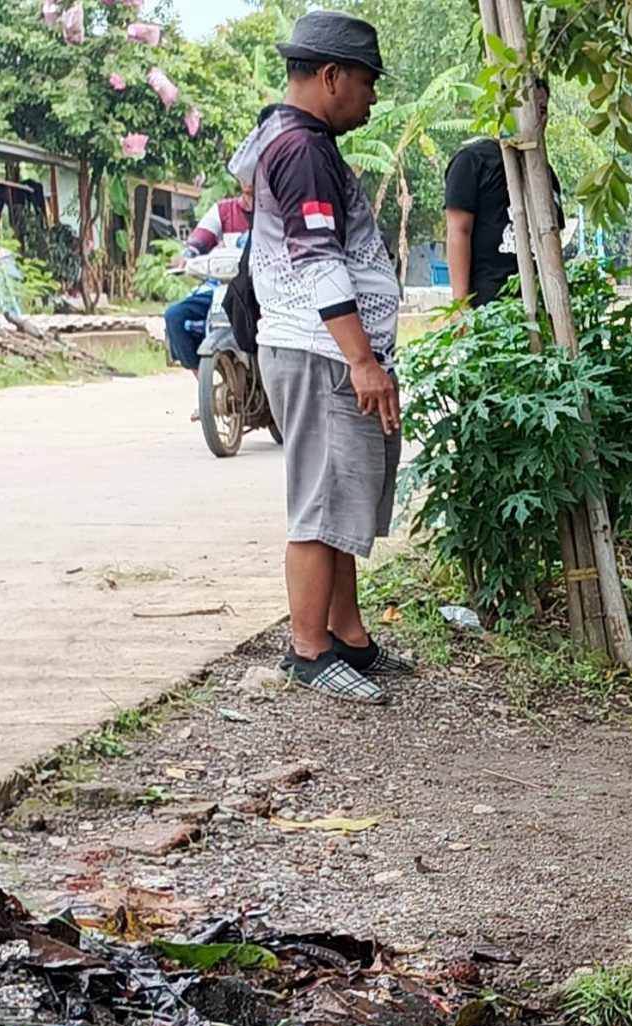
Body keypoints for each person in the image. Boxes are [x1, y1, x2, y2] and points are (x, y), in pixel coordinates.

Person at [241, 8, 407, 706]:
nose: (371, 97)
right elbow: (319, 263)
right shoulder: (304, 150)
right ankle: (309, 650)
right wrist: (362, 361)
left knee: (341, 498)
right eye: (367, 82)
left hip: (316, 348)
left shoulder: (289, 138)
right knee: (319, 501)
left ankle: (348, 635)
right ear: (331, 76)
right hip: (319, 351)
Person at [442, 135, 561, 310]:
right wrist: (460, 304)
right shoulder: (473, 161)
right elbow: (458, 231)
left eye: (543, 111)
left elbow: (555, 238)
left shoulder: (544, 173)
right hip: (488, 309)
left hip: (543, 305)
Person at [164, 185, 252, 369]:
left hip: (258, 293)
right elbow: (199, 240)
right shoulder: (223, 210)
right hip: (221, 289)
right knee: (175, 316)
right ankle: (206, 385)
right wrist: (187, 256)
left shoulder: (274, 212)